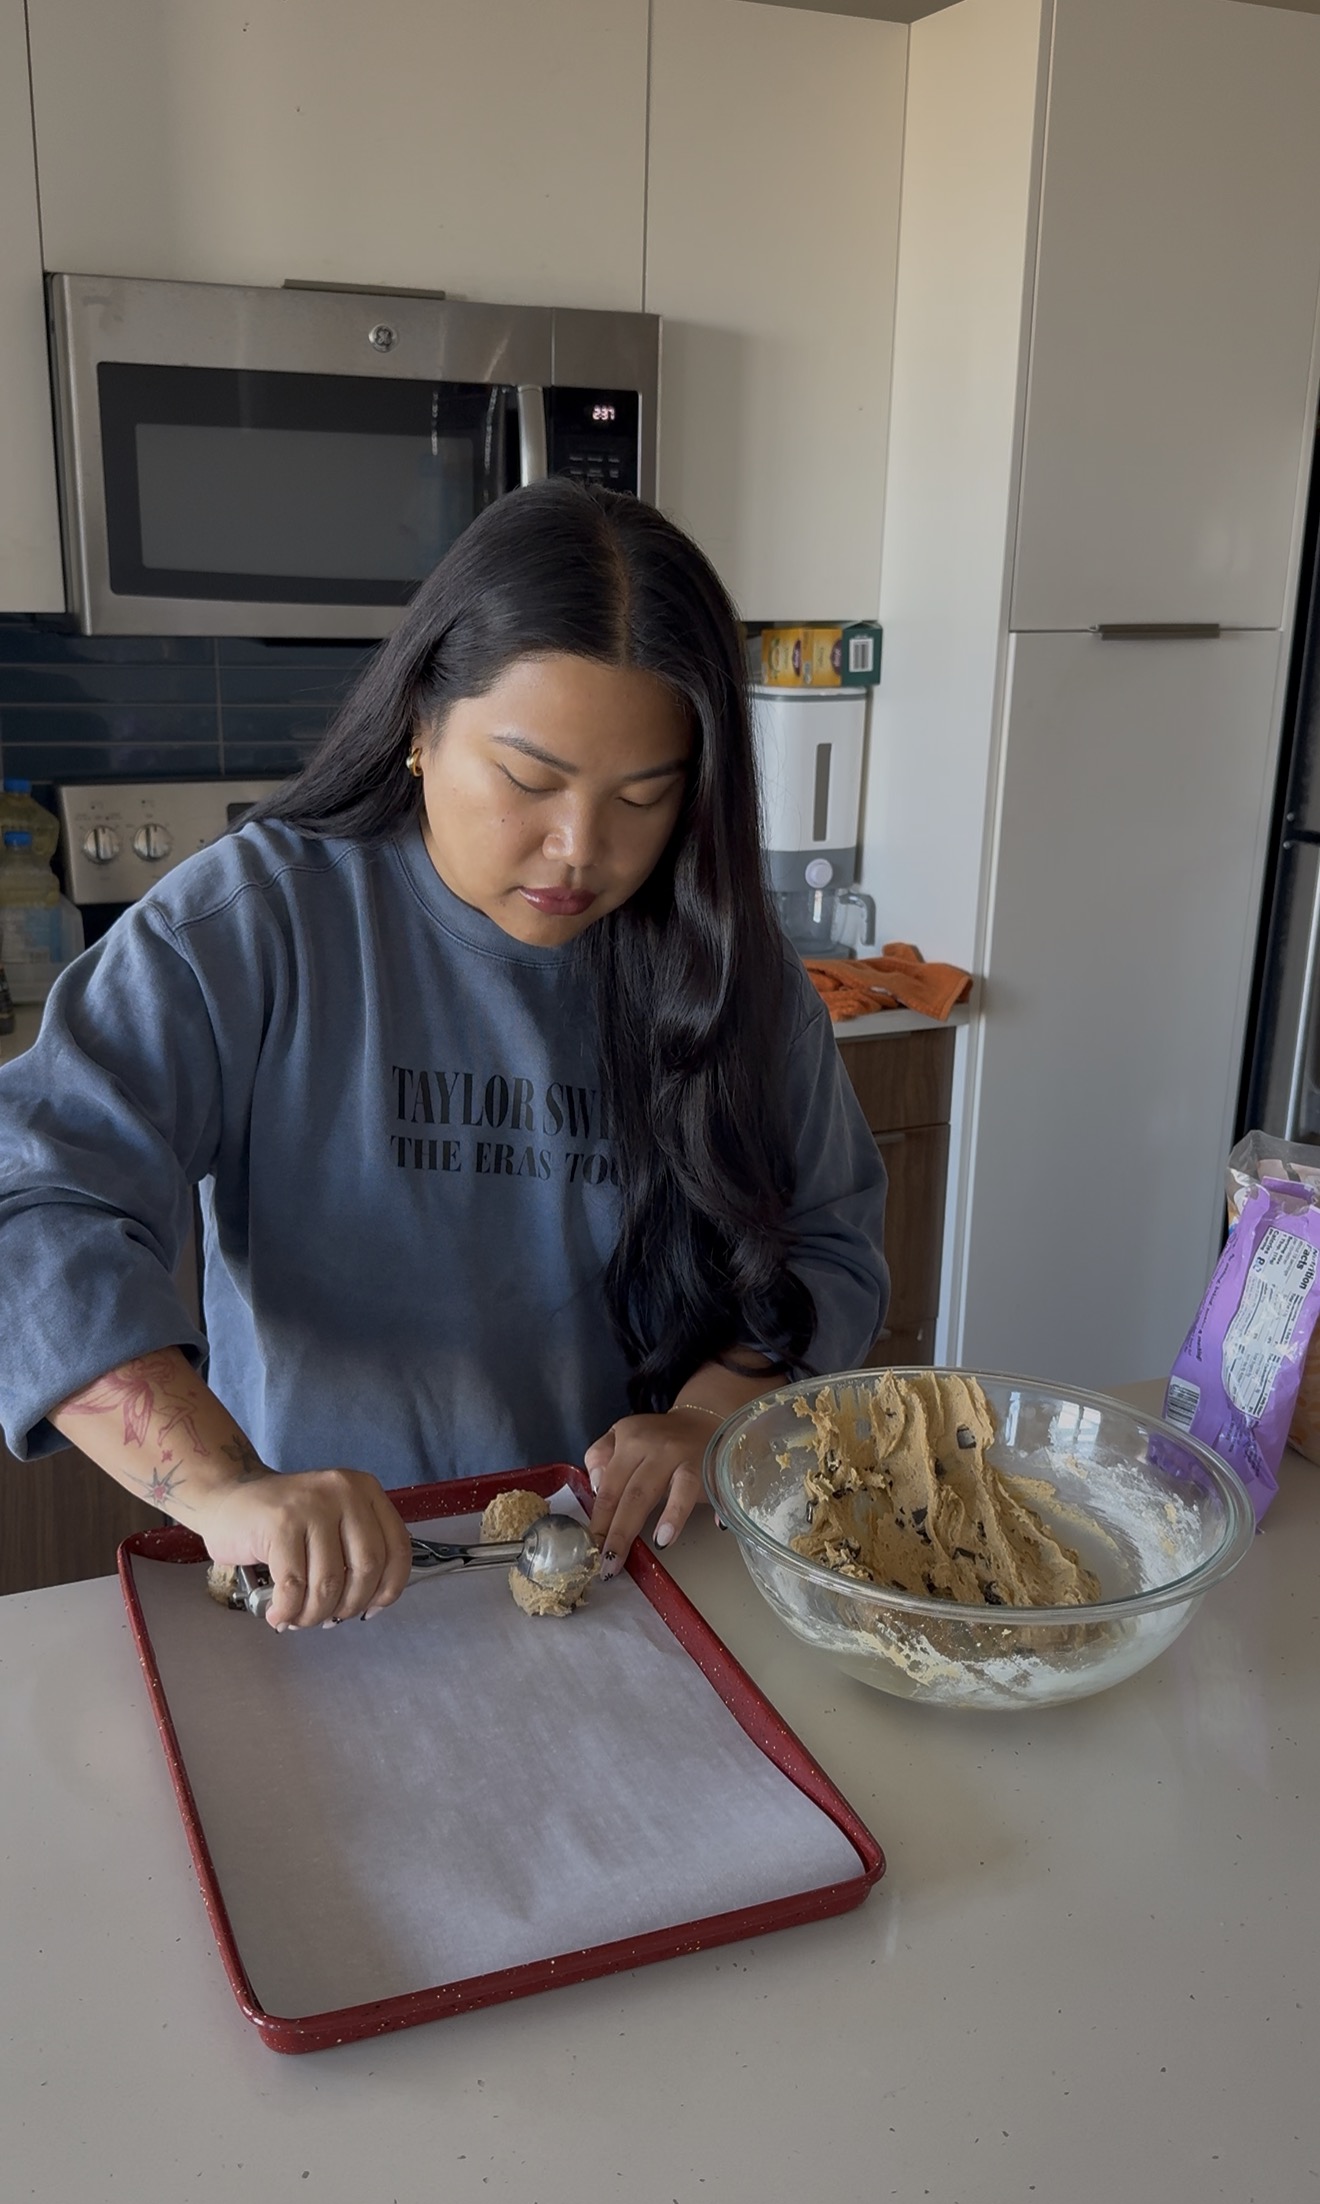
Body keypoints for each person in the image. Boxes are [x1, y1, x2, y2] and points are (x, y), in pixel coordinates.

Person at [0, 481, 888, 1629]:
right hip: (321, 1598)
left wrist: (714, 1414)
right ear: (420, 727)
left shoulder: (736, 976)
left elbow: (830, 1242)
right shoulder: (255, 923)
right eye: (529, 780)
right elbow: (35, 1204)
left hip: (632, 1578)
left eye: (643, 797)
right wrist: (225, 1489)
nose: (580, 849)